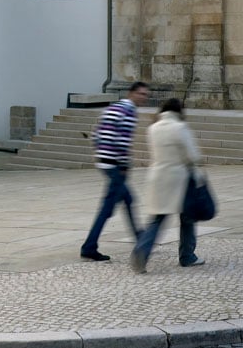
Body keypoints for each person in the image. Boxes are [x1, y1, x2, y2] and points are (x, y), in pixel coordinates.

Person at [130, 98, 204, 272]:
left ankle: (141, 251)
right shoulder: (180, 128)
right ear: (179, 111)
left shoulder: (153, 128)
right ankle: (187, 255)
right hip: (179, 179)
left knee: (157, 219)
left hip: (157, 177)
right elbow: (192, 156)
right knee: (188, 219)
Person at [79, 81, 149, 261]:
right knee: (107, 209)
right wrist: (124, 165)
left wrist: (100, 154)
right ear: (131, 93)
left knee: (128, 199)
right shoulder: (129, 112)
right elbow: (122, 140)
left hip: (104, 162)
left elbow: (96, 134)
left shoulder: (112, 108)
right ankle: (89, 246)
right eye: (141, 94)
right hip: (115, 165)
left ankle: (140, 238)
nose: (143, 98)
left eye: (145, 95)